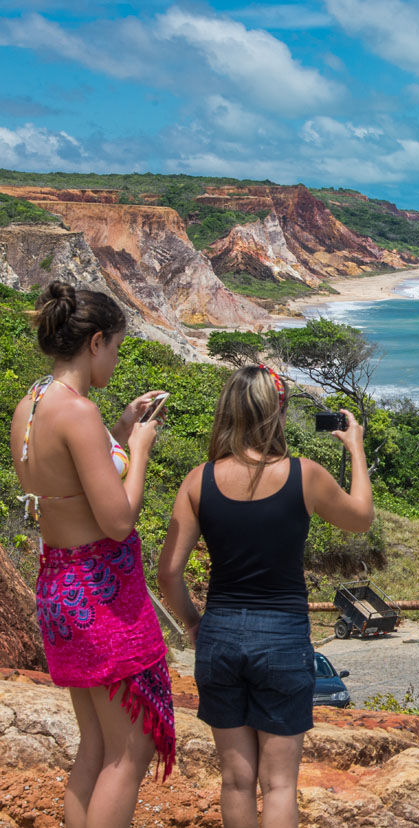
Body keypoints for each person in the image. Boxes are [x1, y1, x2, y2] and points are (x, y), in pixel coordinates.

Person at [159, 365, 374, 828]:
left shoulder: (199, 481)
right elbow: (361, 518)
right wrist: (355, 448)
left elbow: (168, 572)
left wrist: (194, 623)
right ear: (278, 413)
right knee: (278, 784)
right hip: (282, 637)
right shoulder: (305, 475)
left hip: (219, 635)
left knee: (236, 780)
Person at [11, 282, 171, 828]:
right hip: (100, 592)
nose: (117, 358)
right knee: (130, 751)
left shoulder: (32, 403)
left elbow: (72, 486)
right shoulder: (78, 413)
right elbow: (117, 519)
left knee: (96, 747)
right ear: (96, 341)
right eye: (117, 347)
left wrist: (122, 430)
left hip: (61, 588)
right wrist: (142, 451)